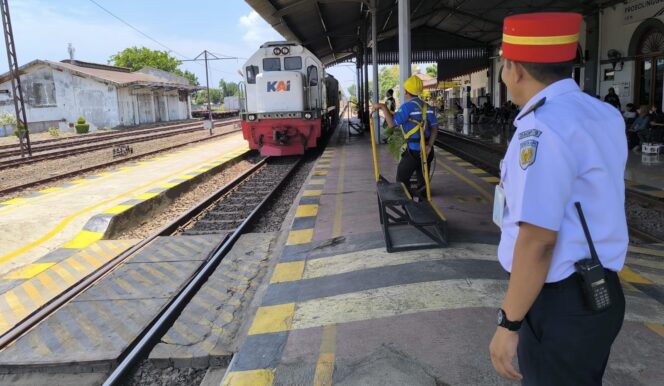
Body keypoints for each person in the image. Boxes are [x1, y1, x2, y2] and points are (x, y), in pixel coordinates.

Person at [490, 12, 627, 386]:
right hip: (600, 294)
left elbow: (537, 241)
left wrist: (509, 323)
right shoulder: (604, 114)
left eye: (504, 66)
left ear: (515, 70)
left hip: (560, 303)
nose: (504, 75)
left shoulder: (541, 128)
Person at [372, 75, 438, 196]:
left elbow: (391, 124)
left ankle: (408, 204)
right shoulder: (427, 107)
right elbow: (434, 128)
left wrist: (382, 106)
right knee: (423, 182)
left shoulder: (407, 107)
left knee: (401, 180)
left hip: (413, 151)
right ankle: (423, 205)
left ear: (406, 91)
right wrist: (429, 145)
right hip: (427, 151)